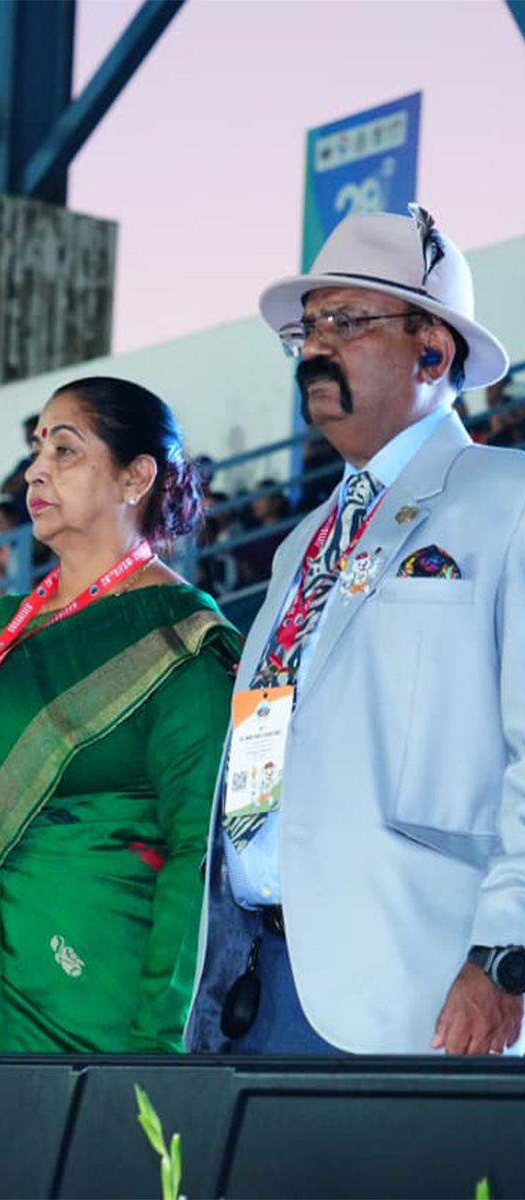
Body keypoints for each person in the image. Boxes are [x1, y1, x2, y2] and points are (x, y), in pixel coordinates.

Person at [0, 377, 241, 1198]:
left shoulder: (184, 641)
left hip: (92, 988)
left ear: (136, 478)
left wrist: (155, 1052)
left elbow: (196, 859)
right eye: (37, 448)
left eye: (65, 450)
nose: (36, 471)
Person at [186, 205, 522, 1056]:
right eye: (307, 330)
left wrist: (506, 955)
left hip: (427, 984)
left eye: (346, 322)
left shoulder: (506, 501)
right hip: (260, 978)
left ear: (433, 350)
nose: (313, 348)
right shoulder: (305, 541)